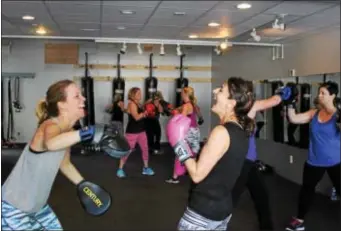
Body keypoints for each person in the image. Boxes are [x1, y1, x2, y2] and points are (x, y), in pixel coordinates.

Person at [1, 80, 109, 230]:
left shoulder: (68, 132)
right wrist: (87, 133)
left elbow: (64, 164)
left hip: (38, 206)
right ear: (62, 104)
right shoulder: (49, 125)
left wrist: (84, 186)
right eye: (77, 96)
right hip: (14, 208)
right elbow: (51, 143)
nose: (83, 99)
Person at [167, 77, 255, 230]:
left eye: (221, 90)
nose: (215, 91)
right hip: (222, 210)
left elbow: (196, 174)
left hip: (202, 214)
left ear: (231, 103)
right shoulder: (241, 130)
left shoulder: (221, 132)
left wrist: (179, 144)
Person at [231, 81, 294, 231]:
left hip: (249, 162)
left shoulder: (233, 111)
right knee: (231, 199)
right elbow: (274, 101)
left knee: (262, 197)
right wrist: (284, 92)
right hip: (243, 163)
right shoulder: (250, 108)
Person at [285, 81, 340, 231]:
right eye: (319, 92)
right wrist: (290, 103)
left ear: (333, 95)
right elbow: (294, 119)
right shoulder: (314, 113)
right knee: (306, 191)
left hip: (336, 162)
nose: (319, 95)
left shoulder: (338, 115)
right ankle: (299, 220)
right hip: (314, 161)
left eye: (323, 93)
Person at [116, 87, 155, 178]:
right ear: (133, 95)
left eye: (140, 93)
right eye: (138, 94)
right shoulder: (132, 103)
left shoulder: (138, 103)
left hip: (141, 131)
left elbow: (130, 111)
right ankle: (120, 169)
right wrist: (145, 112)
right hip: (132, 132)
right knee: (127, 150)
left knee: (145, 149)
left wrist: (146, 104)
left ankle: (146, 168)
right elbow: (136, 117)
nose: (140, 95)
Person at [166, 86, 201, 184]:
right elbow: (199, 116)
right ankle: (194, 175)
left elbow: (182, 120)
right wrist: (174, 110)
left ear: (185, 94)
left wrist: (175, 114)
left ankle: (175, 178)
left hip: (188, 131)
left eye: (182, 93)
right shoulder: (193, 104)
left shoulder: (186, 106)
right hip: (195, 130)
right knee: (193, 153)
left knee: (181, 151)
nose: (180, 94)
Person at [144, 91, 164, 155]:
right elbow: (143, 107)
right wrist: (148, 102)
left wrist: (158, 104)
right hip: (148, 120)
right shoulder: (149, 101)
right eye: (155, 97)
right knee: (150, 136)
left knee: (158, 134)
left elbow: (161, 111)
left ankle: (155, 149)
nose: (156, 98)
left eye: (157, 97)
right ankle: (151, 150)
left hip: (154, 120)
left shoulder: (159, 103)